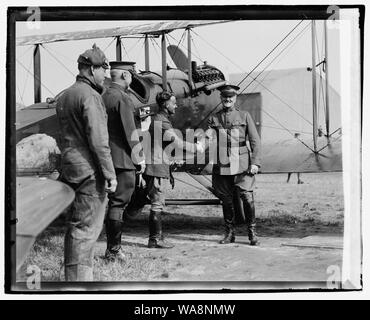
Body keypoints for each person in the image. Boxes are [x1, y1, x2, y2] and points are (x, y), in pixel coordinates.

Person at [56, 44, 117, 281]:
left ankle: (73, 279)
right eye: (103, 69)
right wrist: (110, 174)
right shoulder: (90, 96)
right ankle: (80, 287)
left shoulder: (66, 95)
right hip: (89, 170)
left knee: (75, 226)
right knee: (86, 229)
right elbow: (99, 140)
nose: (105, 74)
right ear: (91, 69)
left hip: (70, 166)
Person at [143, 91, 203, 249]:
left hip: (157, 165)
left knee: (157, 203)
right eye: (173, 102)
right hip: (156, 168)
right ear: (165, 104)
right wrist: (196, 147)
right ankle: (155, 239)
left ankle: (157, 238)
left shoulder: (158, 119)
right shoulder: (161, 121)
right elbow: (177, 143)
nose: (175, 105)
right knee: (157, 204)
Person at [207, 84, 261, 245]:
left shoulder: (244, 116)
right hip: (222, 163)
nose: (227, 99)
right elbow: (208, 136)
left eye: (230, 97)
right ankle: (229, 234)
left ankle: (252, 233)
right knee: (226, 199)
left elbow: (255, 141)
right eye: (224, 97)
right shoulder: (214, 118)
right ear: (221, 98)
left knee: (246, 196)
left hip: (242, 163)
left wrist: (255, 162)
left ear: (235, 98)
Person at [102, 61, 145, 261]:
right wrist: (140, 158)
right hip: (122, 160)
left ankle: (111, 249)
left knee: (111, 203)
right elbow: (131, 133)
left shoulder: (103, 96)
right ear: (126, 76)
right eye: (131, 76)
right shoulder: (123, 98)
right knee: (118, 203)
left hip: (105, 157)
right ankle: (114, 251)